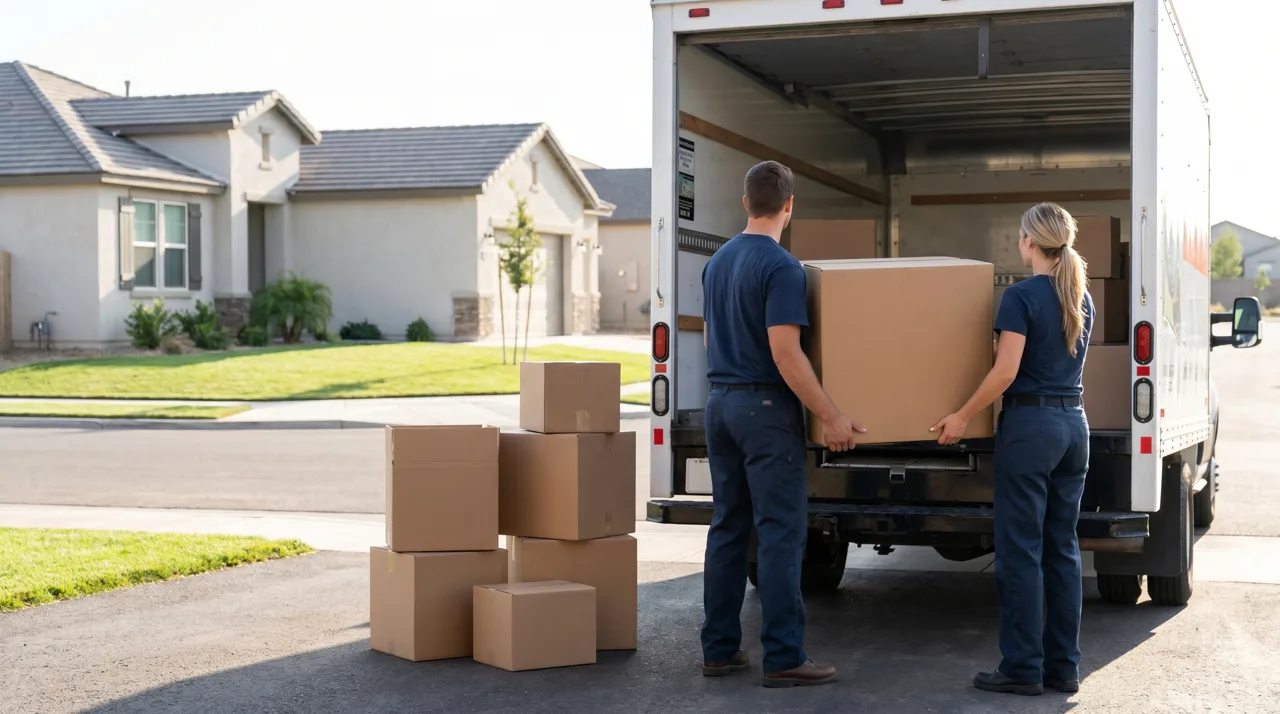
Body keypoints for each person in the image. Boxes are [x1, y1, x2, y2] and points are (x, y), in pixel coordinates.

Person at [699, 160, 864, 689]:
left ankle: (720, 650)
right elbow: (786, 353)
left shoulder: (717, 262)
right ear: (789, 207)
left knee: (728, 528)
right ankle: (784, 656)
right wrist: (831, 415)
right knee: (779, 533)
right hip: (765, 413)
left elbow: (709, 339)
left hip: (719, 402)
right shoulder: (783, 268)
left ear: (746, 202)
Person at [931, 202, 1094, 697]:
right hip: (1074, 427)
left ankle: (1022, 668)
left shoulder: (1020, 297)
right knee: (1062, 551)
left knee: (1020, 552)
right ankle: (1063, 668)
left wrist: (961, 416)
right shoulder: (1081, 297)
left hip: (1031, 429)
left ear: (1027, 242)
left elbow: (1005, 372)